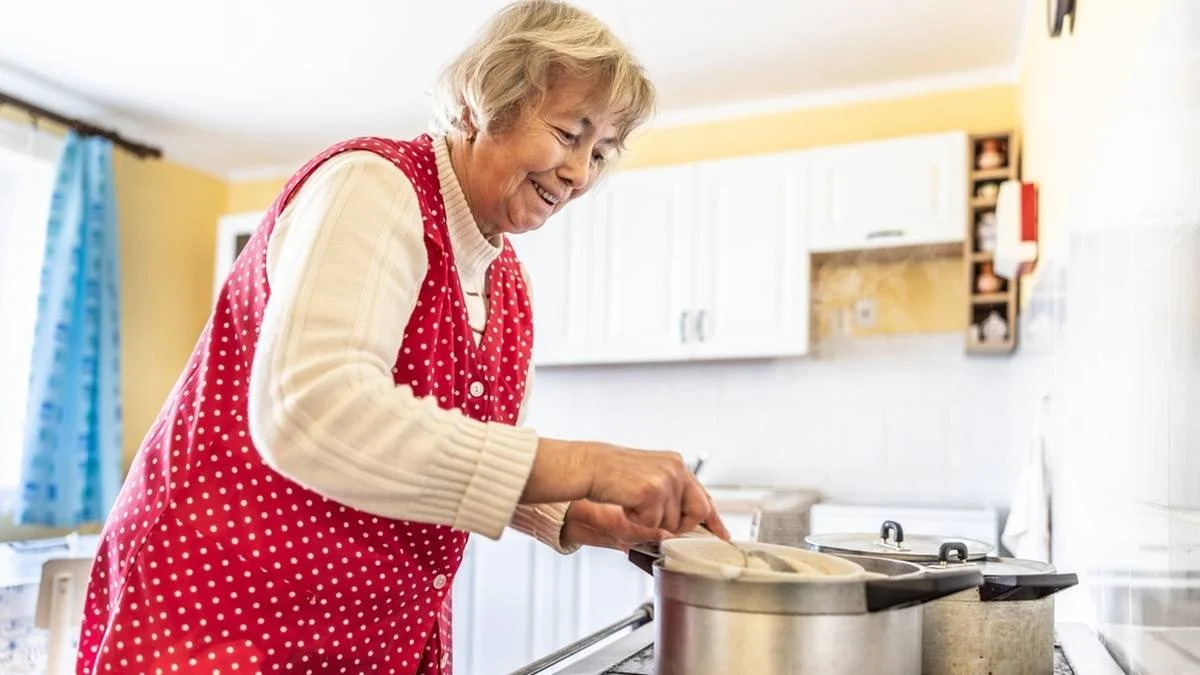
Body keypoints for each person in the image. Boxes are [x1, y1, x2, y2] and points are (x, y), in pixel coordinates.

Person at [77, 1, 728, 673]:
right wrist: (588, 462)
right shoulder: (373, 186)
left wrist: (576, 513)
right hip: (227, 625)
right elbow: (313, 411)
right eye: (569, 133)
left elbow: (458, 452)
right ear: (485, 100)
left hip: (371, 636)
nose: (580, 172)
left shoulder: (505, 278)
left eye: (601, 152)